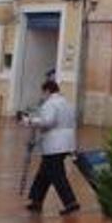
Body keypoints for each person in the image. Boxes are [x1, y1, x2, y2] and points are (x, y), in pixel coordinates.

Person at [22, 79, 80, 215]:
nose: (42, 95)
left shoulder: (51, 103)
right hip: (66, 143)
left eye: (43, 92)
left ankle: (70, 202)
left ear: (47, 90)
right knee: (44, 173)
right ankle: (36, 200)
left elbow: (48, 121)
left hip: (54, 145)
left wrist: (30, 121)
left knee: (57, 175)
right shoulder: (66, 102)